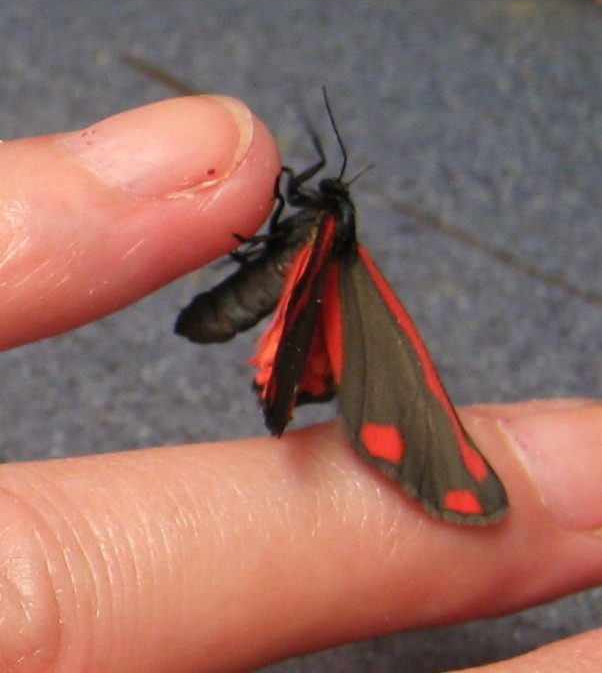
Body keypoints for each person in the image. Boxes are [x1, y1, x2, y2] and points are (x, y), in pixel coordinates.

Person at [0, 95, 600, 673]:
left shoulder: (324, 228)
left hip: (284, 280)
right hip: (286, 272)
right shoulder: (325, 225)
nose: (311, 186)